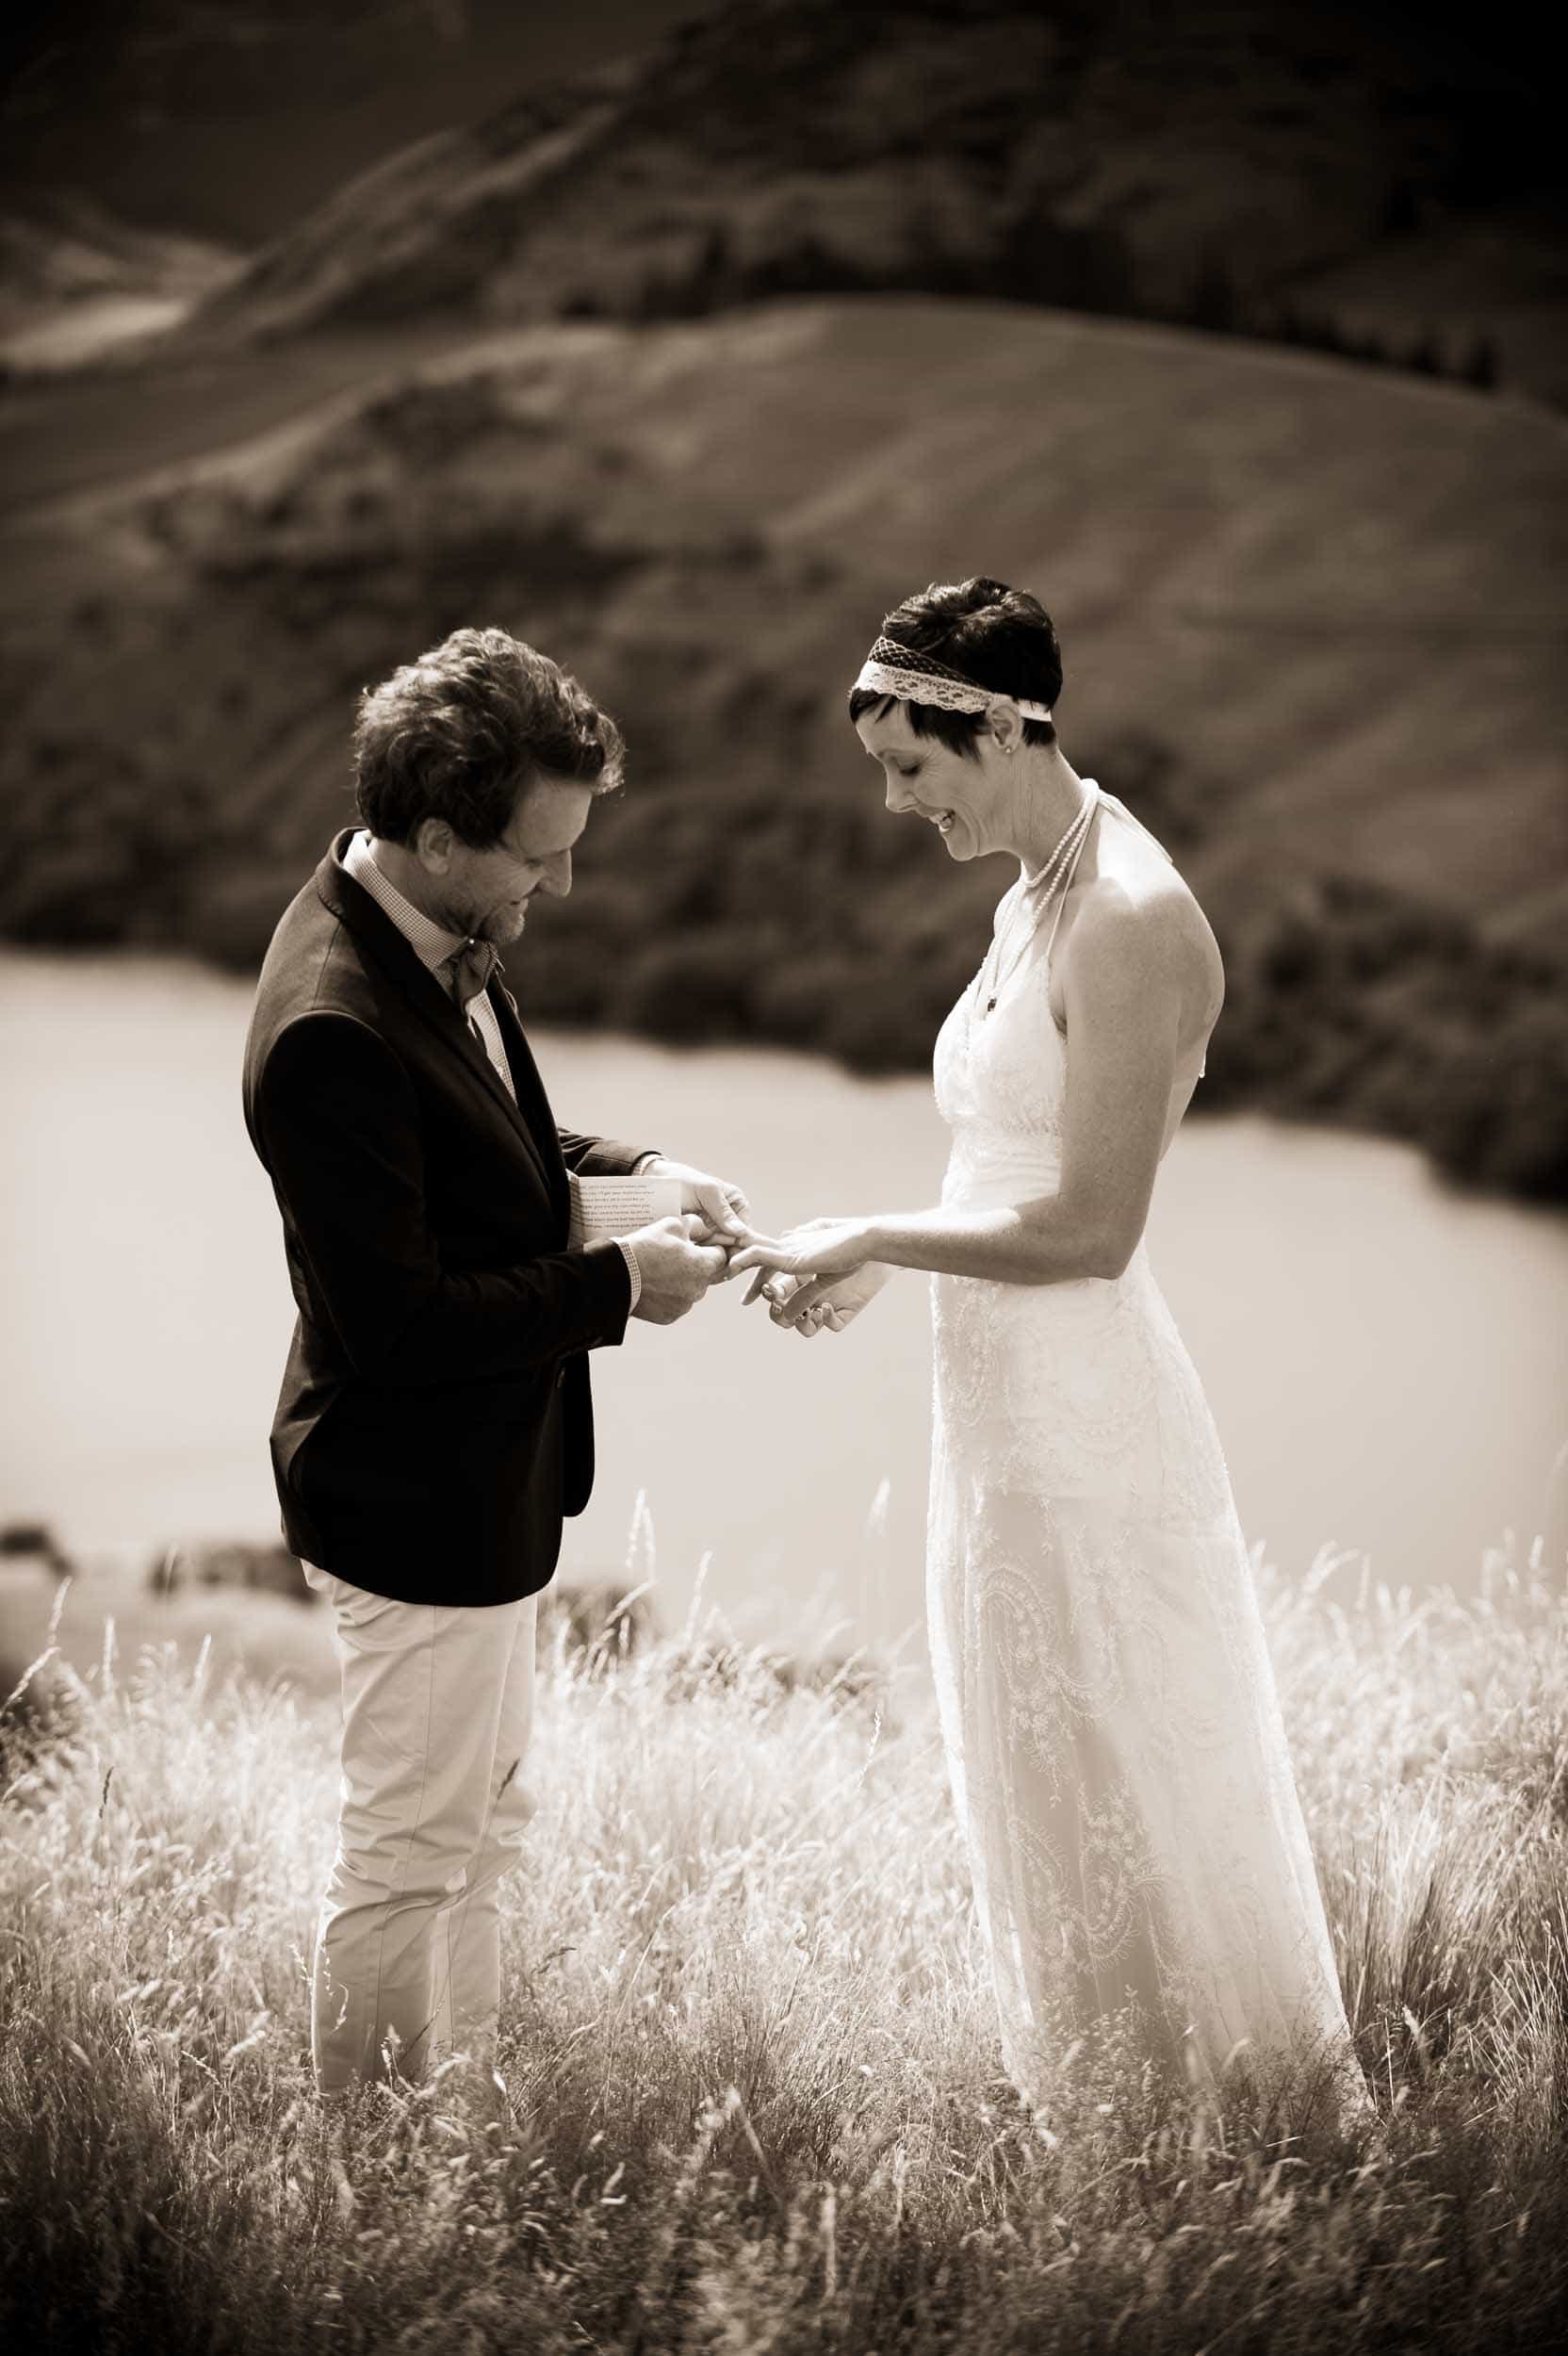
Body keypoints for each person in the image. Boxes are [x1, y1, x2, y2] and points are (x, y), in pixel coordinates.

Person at [731, 579, 1369, 2117]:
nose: (897, 803)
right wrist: (895, 1266)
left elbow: (1091, 1232)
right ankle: (1113, 2130)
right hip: (999, 1410)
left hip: (1089, 1415)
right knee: (1036, 1775)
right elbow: (1000, 1170)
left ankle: (1237, 2135)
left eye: (914, 766)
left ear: (1009, 724)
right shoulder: (1037, 887)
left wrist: (871, 1234)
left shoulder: (1134, 917)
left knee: (1129, 1768)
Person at [242, 626, 745, 2109]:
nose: (562, 888)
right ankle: (378, 2169)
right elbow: (396, 1324)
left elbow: (490, 1137)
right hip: (412, 1501)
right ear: (441, 834)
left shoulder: (432, 929)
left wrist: (646, 1168)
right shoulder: (332, 1022)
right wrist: (618, 1287)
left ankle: (448, 2105)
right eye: (539, 857)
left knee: (488, 1827)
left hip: (487, 1486)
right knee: (408, 1855)